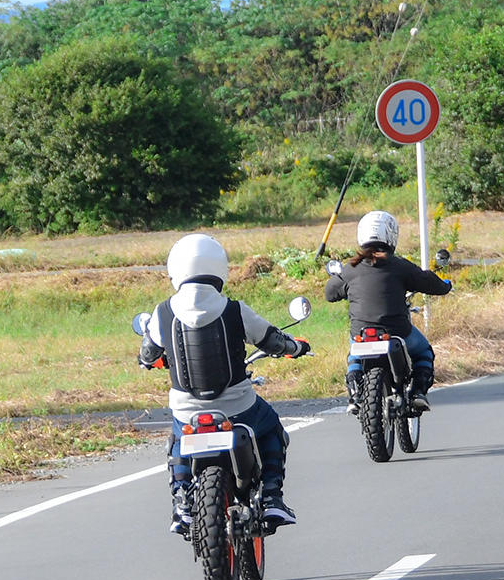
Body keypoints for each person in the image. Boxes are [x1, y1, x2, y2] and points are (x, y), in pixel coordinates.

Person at [137, 233, 310, 534]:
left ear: (175, 270)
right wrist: (296, 347)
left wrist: (152, 359)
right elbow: (271, 340)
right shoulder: (234, 309)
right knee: (271, 429)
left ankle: (181, 502)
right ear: (220, 268)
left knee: (178, 442)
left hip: (187, 410)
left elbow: (148, 353)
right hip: (238, 408)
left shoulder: (162, 312)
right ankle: (271, 497)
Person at [324, 210, 452, 413]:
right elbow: (428, 281)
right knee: (423, 352)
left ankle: (355, 394)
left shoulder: (350, 268)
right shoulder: (400, 266)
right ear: (391, 235)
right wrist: (446, 286)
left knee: (354, 358)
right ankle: (418, 392)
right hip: (397, 332)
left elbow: (329, 294)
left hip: (361, 333)